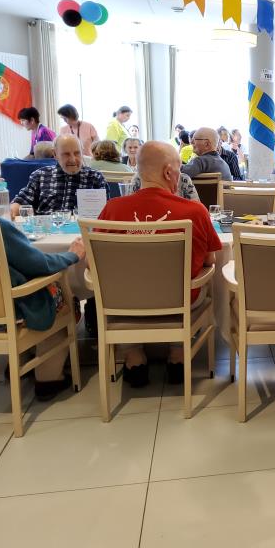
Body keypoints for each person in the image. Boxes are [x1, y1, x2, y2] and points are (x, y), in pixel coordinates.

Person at [97, 141, 222, 387]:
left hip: (124, 302)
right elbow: (210, 260)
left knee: (124, 290)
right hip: (180, 301)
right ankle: (178, 354)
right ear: (168, 172)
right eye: (179, 169)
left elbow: (97, 263)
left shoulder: (112, 210)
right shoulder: (195, 211)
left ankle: (133, 356)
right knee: (193, 285)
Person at [0, 156, 86, 401]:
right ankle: (48, 377)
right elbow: (40, 264)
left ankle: (18, 362)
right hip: (7, 314)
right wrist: (72, 255)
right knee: (64, 299)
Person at [10, 135, 107, 217]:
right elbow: (21, 202)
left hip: (81, 232)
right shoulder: (40, 176)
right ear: (55, 154)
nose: (73, 159)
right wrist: (11, 212)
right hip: (46, 231)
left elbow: (107, 213)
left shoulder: (95, 178)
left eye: (77, 153)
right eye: (66, 154)